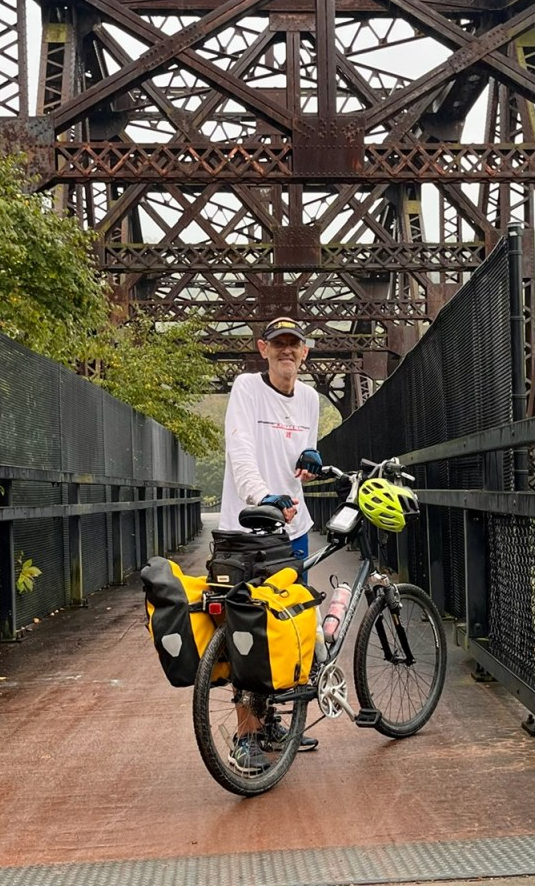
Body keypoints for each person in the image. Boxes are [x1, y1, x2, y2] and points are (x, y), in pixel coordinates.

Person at [219, 315, 324, 772]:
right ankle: (245, 735)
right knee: (247, 634)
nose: (286, 350)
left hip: (293, 532)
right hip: (247, 531)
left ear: (304, 352)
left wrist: (310, 461)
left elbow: (301, 460)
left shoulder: (310, 399)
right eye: (278, 343)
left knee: (290, 627)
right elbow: (240, 449)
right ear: (263, 349)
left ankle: (272, 721)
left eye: (293, 344)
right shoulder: (246, 389)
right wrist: (262, 497)